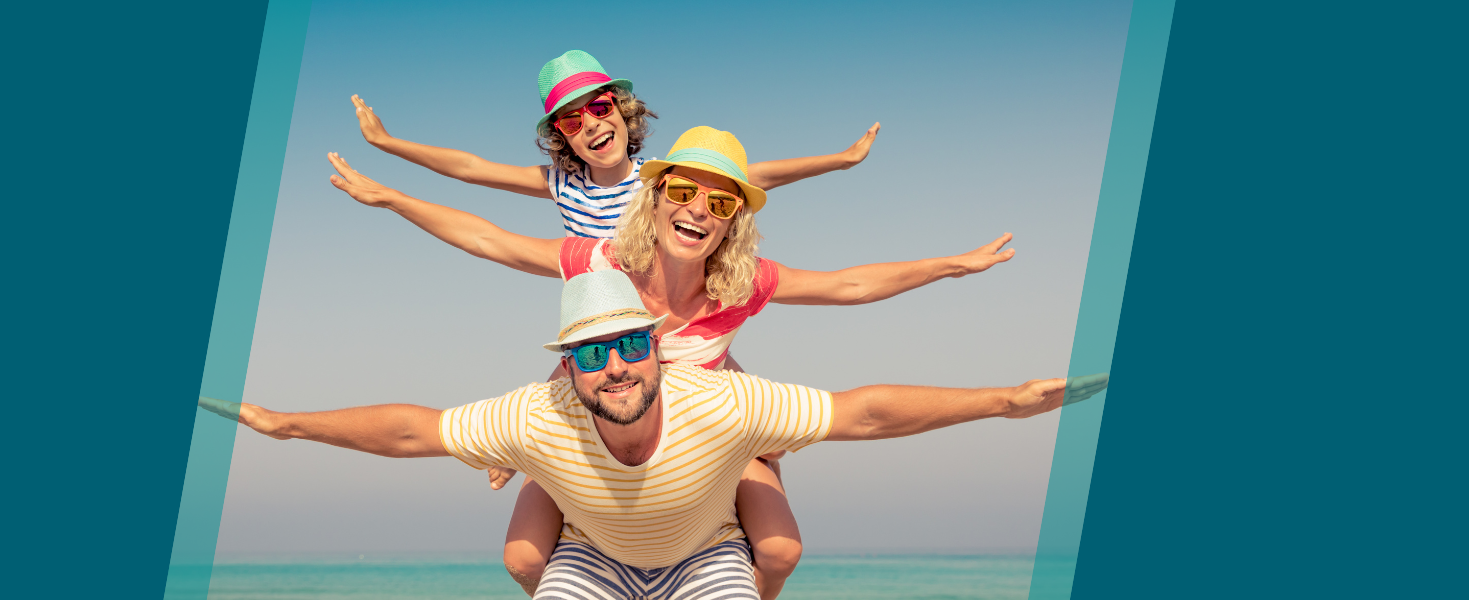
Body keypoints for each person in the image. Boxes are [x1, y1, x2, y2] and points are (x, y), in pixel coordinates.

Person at [327, 125, 1019, 598]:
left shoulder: (740, 284)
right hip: (598, 431)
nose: (697, 210)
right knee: (521, 558)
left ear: (731, 222)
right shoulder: (600, 262)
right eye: (682, 192)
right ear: (655, 198)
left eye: (718, 202)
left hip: (708, 438)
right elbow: (488, 240)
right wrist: (389, 196)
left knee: (780, 552)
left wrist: (951, 265)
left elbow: (850, 284)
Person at [200, 270, 1106, 600]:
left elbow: (861, 411)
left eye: (631, 344)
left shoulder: (721, 405)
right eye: (592, 355)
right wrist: (286, 426)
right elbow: (413, 431)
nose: (617, 367)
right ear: (570, 367)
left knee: (771, 558)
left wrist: (1004, 400)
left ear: (658, 349)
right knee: (529, 571)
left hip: (703, 555)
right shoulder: (539, 413)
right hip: (595, 559)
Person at [349, 49, 879, 239]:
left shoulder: (659, 179)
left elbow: (755, 174)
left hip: (670, 311)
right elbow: (470, 168)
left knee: (762, 437)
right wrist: (390, 144)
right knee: (555, 401)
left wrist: (841, 160)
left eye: (600, 110)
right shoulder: (562, 185)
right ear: (562, 138)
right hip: (602, 316)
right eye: (572, 122)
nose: (591, 126)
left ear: (623, 115)